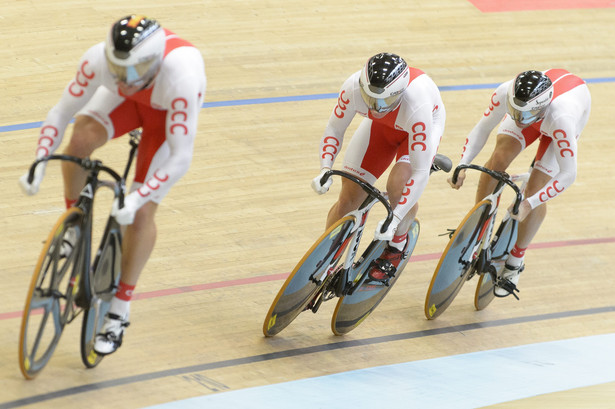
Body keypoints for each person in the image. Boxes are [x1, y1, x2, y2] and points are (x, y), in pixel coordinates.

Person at [19, 15, 206, 355]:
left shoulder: (182, 76)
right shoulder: (99, 61)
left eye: (133, 72)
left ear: (153, 62)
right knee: (79, 142)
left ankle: (120, 308)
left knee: (140, 214)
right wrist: (39, 162)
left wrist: (138, 198)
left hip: (164, 115)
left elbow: (181, 157)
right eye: (118, 71)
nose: (125, 79)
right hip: (130, 105)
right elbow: (61, 113)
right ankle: (73, 224)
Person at [449, 69, 591, 296]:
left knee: (534, 189)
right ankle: (478, 227)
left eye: (522, 115)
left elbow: (568, 174)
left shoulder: (563, 119)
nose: (518, 120)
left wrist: (529, 203)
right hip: (533, 110)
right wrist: (463, 164)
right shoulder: (506, 93)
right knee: (497, 160)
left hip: (560, 117)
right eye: (514, 111)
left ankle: (516, 260)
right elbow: (482, 128)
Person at [311, 52, 446, 281]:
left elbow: (421, 171)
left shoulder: (417, 103)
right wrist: (325, 168)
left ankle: (397, 246)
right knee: (348, 198)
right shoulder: (353, 87)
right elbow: (335, 129)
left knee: (398, 185)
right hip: (383, 128)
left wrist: (394, 220)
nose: (374, 106)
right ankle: (324, 257)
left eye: (382, 101)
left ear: (398, 94)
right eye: (368, 98)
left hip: (419, 129)